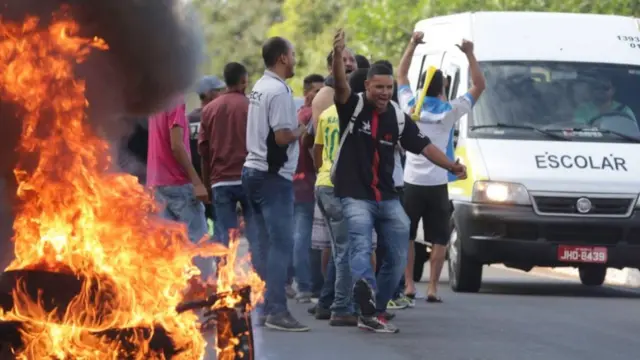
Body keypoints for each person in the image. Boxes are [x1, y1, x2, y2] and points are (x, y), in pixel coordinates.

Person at [331, 29, 467, 333]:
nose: (384, 93)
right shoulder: (351, 106)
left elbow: (424, 146)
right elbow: (340, 84)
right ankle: (365, 288)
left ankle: (374, 309)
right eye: (378, 87)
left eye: (389, 87)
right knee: (361, 243)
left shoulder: (398, 115)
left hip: (388, 197)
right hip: (355, 194)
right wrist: (338, 57)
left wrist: (452, 166)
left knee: (396, 252)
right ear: (367, 86)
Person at [397, 31, 485, 302]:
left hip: (411, 181)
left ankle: (410, 283)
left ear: (423, 86)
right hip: (437, 183)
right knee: (439, 238)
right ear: (442, 87)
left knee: (408, 236)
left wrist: (412, 45)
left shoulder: (410, 106)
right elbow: (479, 85)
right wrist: (469, 53)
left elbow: (401, 75)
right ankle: (433, 287)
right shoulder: (450, 110)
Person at [242, 36, 309, 332]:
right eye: (292, 54)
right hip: (273, 178)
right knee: (281, 245)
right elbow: (281, 136)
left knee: (264, 245)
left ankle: (265, 306)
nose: (294, 59)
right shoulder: (279, 91)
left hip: (252, 172)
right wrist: (301, 130)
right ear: (282, 57)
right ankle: (278, 310)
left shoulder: (259, 86)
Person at [313, 68, 368, 326]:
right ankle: (341, 307)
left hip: (322, 184)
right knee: (345, 250)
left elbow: (317, 149)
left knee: (338, 249)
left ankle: (329, 301)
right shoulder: (359, 117)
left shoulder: (325, 115)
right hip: (342, 188)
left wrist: (322, 171)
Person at [147, 99, 210, 280]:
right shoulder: (174, 100)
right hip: (178, 184)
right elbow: (176, 145)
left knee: (169, 249)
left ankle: (177, 297)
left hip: (157, 185)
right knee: (199, 245)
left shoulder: (156, 102)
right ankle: (205, 292)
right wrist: (197, 182)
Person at [198, 63, 250, 248]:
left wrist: (207, 184)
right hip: (248, 178)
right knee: (256, 234)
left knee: (225, 237)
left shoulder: (209, 110)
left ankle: (223, 275)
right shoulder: (249, 105)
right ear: (243, 80)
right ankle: (261, 274)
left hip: (220, 182)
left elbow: (203, 151)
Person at [292, 73, 325, 303]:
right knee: (305, 237)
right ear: (306, 93)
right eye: (316, 91)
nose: (321, 94)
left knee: (302, 236)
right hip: (306, 184)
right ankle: (306, 285)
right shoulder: (310, 115)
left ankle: (304, 284)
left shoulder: (299, 115)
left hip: (298, 182)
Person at [189, 76, 226, 229]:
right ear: (209, 94)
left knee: (198, 230)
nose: (222, 94)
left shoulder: (188, 119)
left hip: (194, 185)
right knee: (221, 228)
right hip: (215, 184)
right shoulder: (216, 117)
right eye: (218, 91)